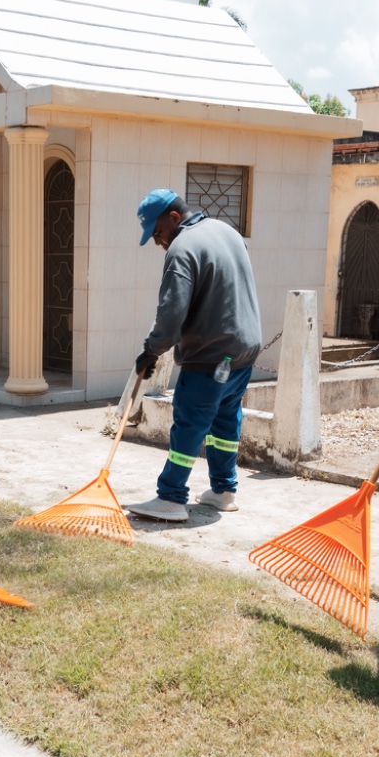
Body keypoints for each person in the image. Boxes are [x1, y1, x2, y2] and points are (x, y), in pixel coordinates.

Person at [125, 188, 262, 523]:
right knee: (225, 421)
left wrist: (150, 350)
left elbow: (170, 317)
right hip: (243, 352)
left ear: (174, 218)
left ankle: (171, 498)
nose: (159, 243)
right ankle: (223, 491)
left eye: (157, 233)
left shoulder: (182, 248)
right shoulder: (226, 231)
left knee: (190, 423)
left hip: (210, 354)